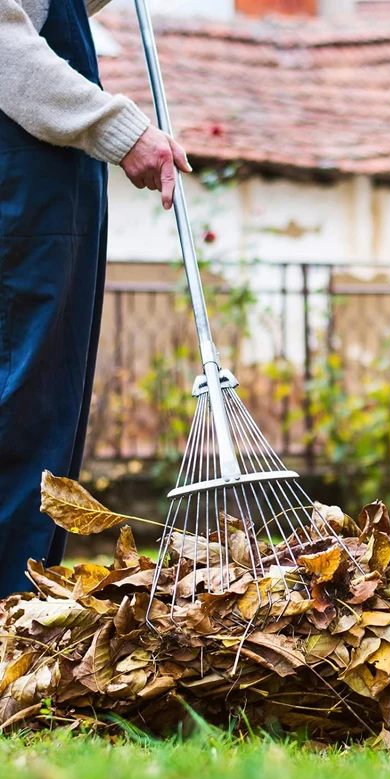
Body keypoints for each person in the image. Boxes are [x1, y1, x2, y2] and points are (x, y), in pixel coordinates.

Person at [0, 0, 191, 596]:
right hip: (21, 185)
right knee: (18, 411)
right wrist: (117, 126)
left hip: (52, 184)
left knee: (46, 413)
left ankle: (19, 616)